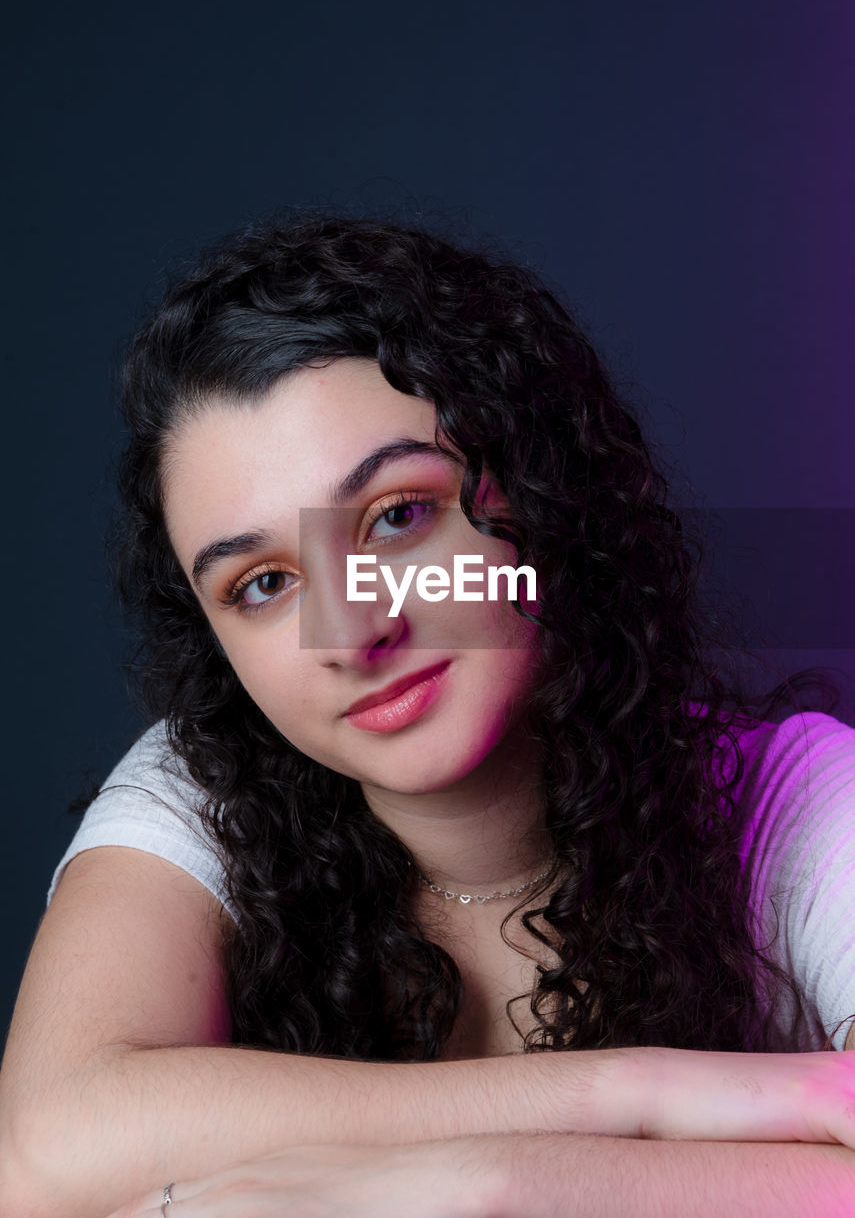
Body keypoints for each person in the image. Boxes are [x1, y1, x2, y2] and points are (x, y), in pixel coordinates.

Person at [1, 209, 854, 1217]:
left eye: (399, 515)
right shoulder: (202, 789)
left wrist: (504, 1182)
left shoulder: (790, 802)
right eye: (263, 583)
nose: (351, 629)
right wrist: (635, 1092)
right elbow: (46, 1152)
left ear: (542, 492)